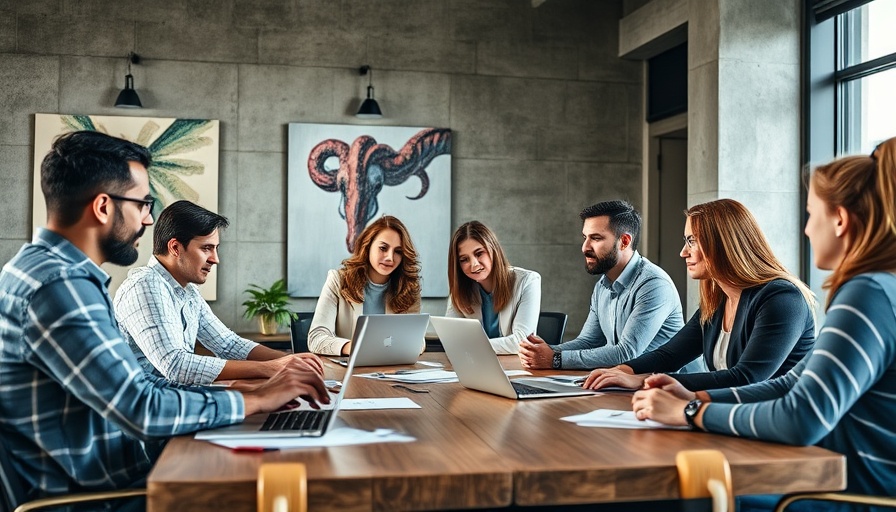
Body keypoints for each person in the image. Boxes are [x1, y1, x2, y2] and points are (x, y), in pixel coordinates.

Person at [0, 131, 328, 507]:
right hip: (103, 491)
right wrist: (259, 397)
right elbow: (143, 408)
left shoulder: (41, 270)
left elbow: (137, 392)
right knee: (279, 484)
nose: (148, 218)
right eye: (142, 203)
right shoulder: (61, 285)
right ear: (104, 207)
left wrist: (255, 389)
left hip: (109, 466)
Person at [633, 139, 896, 512]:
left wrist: (689, 413)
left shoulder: (867, 293)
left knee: (668, 496)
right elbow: (792, 384)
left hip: (849, 496)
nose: (805, 230)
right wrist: (695, 398)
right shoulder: (881, 289)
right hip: (840, 483)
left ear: (840, 219)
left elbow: (801, 418)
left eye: (810, 214)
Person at [584, 198, 816, 392]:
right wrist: (621, 371)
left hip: (780, 431)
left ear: (724, 243)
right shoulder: (718, 301)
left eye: (692, 241)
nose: (683, 252)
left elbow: (746, 378)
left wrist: (643, 381)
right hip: (733, 417)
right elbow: (669, 355)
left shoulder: (782, 299)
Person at [114, 200, 323, 387]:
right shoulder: (146, 285)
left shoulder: (188, 292)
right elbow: (176, 365)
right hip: (144, 417)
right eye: (206, 248)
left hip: (172, 401)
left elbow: (227, 344)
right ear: (175, 247)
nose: (215, 259)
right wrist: (270, 368)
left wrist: (295, 361)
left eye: (216, 248)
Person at [519, 200, 685, 370]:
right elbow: (588, 341)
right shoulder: (603, 285)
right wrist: (541, 352)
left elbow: (626, 352)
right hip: (629, 383)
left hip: (672, 388)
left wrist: (555, 359)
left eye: (596, 238)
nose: (585, 248)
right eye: (585, 237)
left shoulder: (653, 285)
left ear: (625, 241)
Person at [308, 215, 422, 355]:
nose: (390, 258)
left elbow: (417, 340)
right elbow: (316, 338)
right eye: (383, 248)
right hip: (346, 370)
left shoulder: (408, 288)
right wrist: (356, 347)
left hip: (391, 370)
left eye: (398, 252)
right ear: (367, 246)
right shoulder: (338, 280)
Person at [445, 221, 541, 354]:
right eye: (464, 259)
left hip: (515, 367)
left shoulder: (527, 281)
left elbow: (522, 342)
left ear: (493, 250)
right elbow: (450, 339)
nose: (474, 265)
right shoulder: (461, 290)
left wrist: (471, 346)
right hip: (476, 365)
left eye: (479, 254)